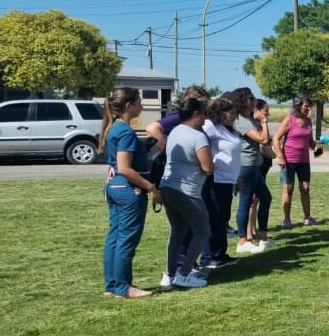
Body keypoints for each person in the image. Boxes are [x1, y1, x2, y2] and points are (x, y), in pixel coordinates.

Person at [99, 88, 157, 298]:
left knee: (115, 235)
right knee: (126, 238)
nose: (142, 106)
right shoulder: (124, 131)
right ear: (129, 105)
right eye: (139, 102)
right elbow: (125, 168)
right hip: (127, 189)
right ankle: (124, 287)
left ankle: (112, 285)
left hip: (114, 186)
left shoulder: (114, 128)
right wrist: (150, 187)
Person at [159, 97, 213, 289]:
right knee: (203, 230)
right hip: (188, 192)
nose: (206, 118)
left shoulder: (174, 131)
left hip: (167, 188)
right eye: (204, 113)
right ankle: (184, 274)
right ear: (196, 114)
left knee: (178, 231)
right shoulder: (197, 136)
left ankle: (169, 274)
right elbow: (208, 167)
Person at [201, 96, 242, 269]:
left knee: (223, 218)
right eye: (231, 113)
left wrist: (238, 176)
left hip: (228, 180)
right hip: (215, 179)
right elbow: (202, 144)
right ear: (220, 113)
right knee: (214, 218)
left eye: (235, 113)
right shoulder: (211, 127)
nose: (234, 116)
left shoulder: (229, 129)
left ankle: (220, 253)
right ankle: (208, 257)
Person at [234, 92, 274, 253]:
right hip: (246, 166)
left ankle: (263, 237)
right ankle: (243, 241)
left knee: (266, 198)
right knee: (246, 202)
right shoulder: (241, 121)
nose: (254, 102)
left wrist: (261, 122)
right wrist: (263, 122)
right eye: (251, 100)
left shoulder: (250, 119)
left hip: (254, 166)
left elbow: (266, 139)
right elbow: (263, 139)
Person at [274, 94, 321, 227]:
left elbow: (310, 141)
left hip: (304, 161)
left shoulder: (308, 121)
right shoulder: (289, 120)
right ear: (298, 105)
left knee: (305, 188)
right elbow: (276, 138)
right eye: (306, 106)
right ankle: (286, 219)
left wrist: (316, 148)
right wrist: (280, 156)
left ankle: (307, 217)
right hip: (289, 160)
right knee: (288, 188)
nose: (308, 109)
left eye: (309, 107)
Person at [145, 84, 210, 153]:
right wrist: (167, 150)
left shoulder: (195, 119)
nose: (204, 106)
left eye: (205, 103)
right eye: (202, 103)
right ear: (189, 101)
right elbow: (151, 128)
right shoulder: (179, 116)